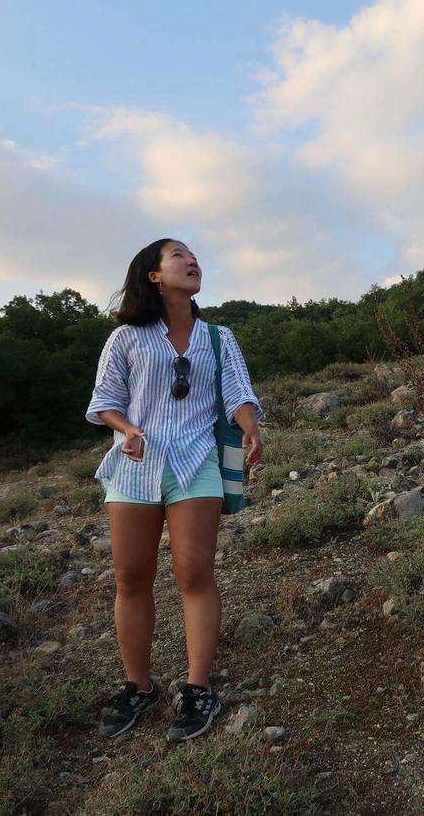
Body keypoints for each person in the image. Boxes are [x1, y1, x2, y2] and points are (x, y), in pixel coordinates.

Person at [86, 238, 263, 742]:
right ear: (154, 276)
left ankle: (198, 687)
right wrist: (128, 429)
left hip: (196, 461)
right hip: (135, 465)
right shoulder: (125, 338)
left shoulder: (219, 337)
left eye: (194, 256)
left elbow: (238, 392)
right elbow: (104, 402)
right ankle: (138, 687)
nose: (192, 261)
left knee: (194, 572)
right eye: (178, 255)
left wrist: (250, 427)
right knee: (131, 577)